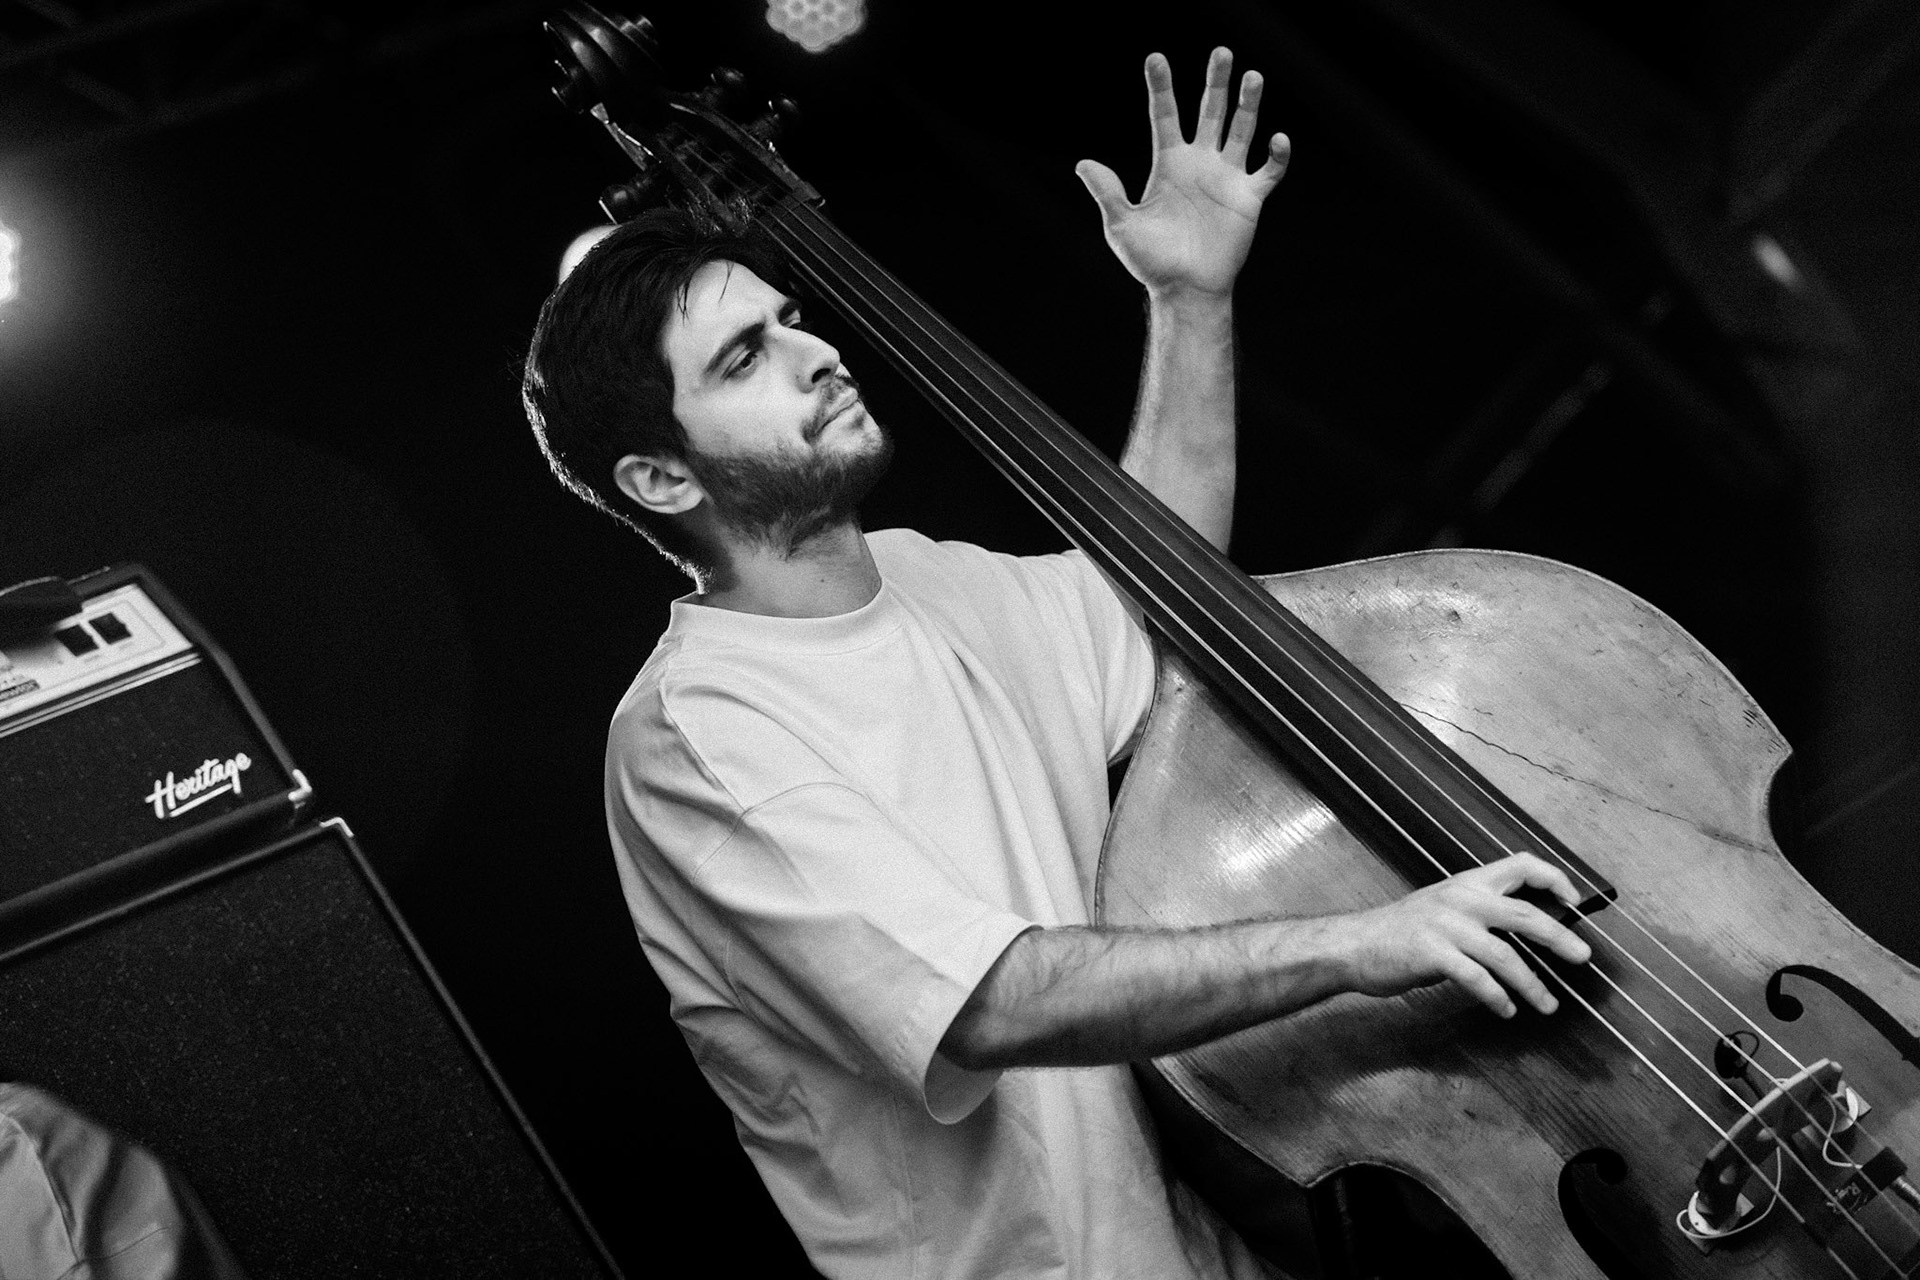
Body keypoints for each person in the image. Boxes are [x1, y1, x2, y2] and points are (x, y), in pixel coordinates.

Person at [522, 47, 1591, 1280]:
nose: (814, 354)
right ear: (661, 477)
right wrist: (1369, 941)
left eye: (790, 320)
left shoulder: (927, 578)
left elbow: (1159, 583)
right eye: (741, 360)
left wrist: (1189, 300)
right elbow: (989, 1001)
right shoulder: (698, 730)